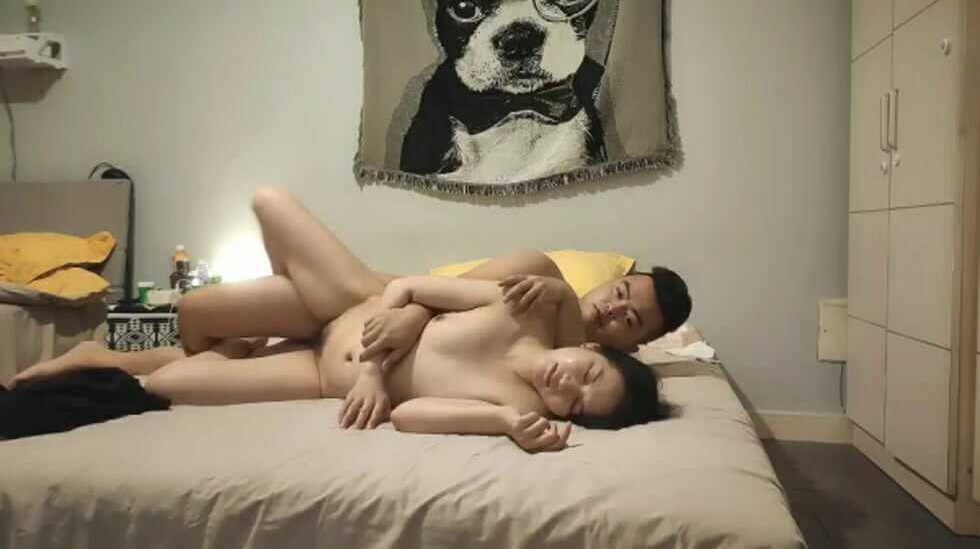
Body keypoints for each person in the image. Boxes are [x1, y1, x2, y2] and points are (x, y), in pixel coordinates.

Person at [9, 272, 669, 453]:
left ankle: (101, 357)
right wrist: (376, 368)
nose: (566, 384)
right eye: (586, 374)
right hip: (348, 320)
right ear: (588, 351)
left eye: (574, 403)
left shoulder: (518, 407)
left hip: (320, 379)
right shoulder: (521, 304)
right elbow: (408, 287)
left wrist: (502, 425)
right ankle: (239, 341)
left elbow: (411, 417)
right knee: (261, 214)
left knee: (166, 384)